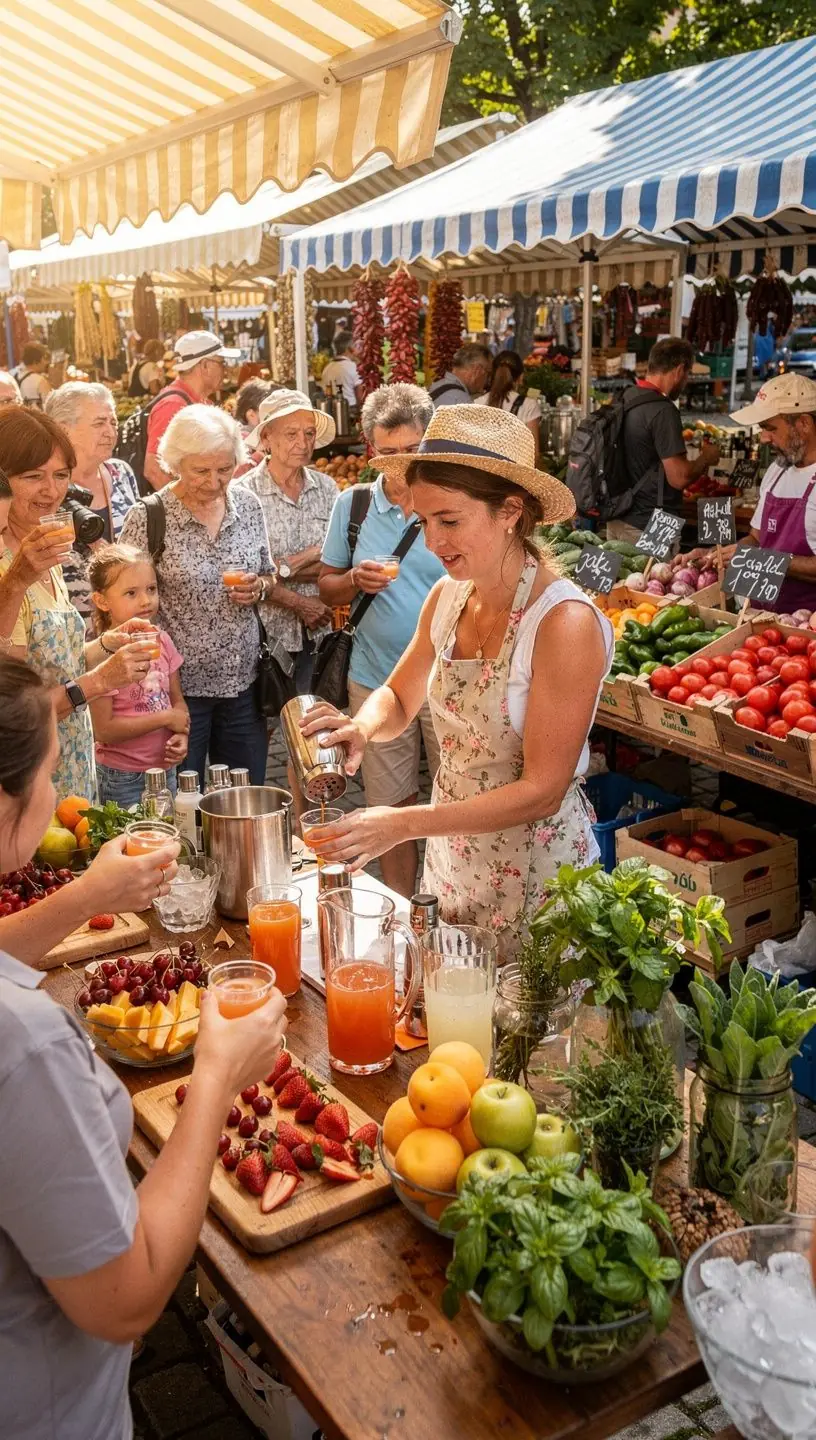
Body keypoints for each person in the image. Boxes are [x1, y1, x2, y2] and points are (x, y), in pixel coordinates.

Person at [0, 657, 287, 1440]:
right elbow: (126, 1299)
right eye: (56, 771)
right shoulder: (25, 1048)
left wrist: (85, 896)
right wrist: (220, 1073)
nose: (62, 792)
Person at [302, 405, 613, 959]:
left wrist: (401, 824)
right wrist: (360, 727)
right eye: (423, 521)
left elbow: (543, 790)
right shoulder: (448, 597)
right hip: (452, 866)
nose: (431, 542)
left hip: (539, 886)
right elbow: (399, 695)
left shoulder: (563, 623)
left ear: (510, 511)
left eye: (449, 520)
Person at [319, 383, 444, 897]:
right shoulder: (353, 506)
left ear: (429, 443)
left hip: (446, 680)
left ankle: (448, 900)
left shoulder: (448, 500)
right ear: (371, 450)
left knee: (451, 801)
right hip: (374, 681)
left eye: (411, 450)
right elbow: (327, 585)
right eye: (386, 452)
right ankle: (403, 905)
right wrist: (355, 581)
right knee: (389, 807)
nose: (398, 462)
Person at [0, 407, 159, 801]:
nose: (51, 491)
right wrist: (104, 680)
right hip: (31, 779)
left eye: (60, 475)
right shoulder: (10, 567)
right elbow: (15, 712)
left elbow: (55, 663)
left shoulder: (41, 547)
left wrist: (109, 644)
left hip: (70, 765)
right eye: (32, 477)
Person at [120, 405, 276, 786]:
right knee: (183, 797)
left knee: (243, 798)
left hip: (243, 683)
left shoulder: (249, 507)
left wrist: (259, 587)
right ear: (175, 464)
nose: (214, 481)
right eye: (200, 471)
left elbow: (269, 574)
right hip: (176, 692)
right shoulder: (150, 516)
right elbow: (123, 592)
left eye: (224, 469)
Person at [240, 390, 337, 693]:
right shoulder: (244, 494)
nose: (304, 443)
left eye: (309, 434)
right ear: (266, 438)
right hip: (266, 634)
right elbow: (245, 577)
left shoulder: (327, 487)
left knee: (315, 722)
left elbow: (340, 559)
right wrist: (309, 558)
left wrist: (278, 570)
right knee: (270, 724)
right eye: (292, 434)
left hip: (321, 629)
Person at [89, 543, 189, 806]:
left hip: (165, 771)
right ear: (102, 601)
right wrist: (165, 718)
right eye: (131, 593)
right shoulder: (102, 656)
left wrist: (181, 735)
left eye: (151, 589)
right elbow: (104, 730)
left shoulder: (163, 640)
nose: (146, 600)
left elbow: (176, 701)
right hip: (123, 777)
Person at [607, 337, 721, 543]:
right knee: (656, 576)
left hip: (616, 517)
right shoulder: (664, 411)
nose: (686, 381)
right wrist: (706, 458)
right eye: (687, 374)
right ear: (679, 370)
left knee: (624, 577)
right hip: (651, 525)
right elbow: (679, 478)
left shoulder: (623, 398)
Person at [44, 382, 141, 622]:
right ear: (63, 430)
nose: (110, 432)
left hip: (128, 623)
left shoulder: (122, 473)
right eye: (99, 423)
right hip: (73, 627)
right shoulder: (44, 487)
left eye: (113, 422)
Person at [727, 373, 816, 614]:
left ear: (804, 424)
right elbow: (757, 538)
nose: (764, 438)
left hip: (805, 631)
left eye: (770, 428)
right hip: (759, 620)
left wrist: (766, 560)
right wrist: (727, 554)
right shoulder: (777, 470)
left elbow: (762, 552)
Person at [142, 331, 241, 492]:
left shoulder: (199, 401)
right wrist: (187, 510)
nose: (227, 369)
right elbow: (154, 470)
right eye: (222, 363)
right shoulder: (173, 405)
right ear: (205, 365)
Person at [475, 351, 540, 457]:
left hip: (482, 471)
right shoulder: (528, 405)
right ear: (521, 378)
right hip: (515, 471)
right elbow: (533, 454)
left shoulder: (477, 402)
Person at [428, 342, 491, 408]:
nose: (488, 380)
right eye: (488, 373)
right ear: (477, 370)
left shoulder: (437, 385)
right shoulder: (461, 401)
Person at [320, 332, 364, 409]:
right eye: (356, 346)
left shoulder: (326, 368)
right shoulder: (353, 367)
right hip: (351, 411)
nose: (359, 350)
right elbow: (360, 398)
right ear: (350, 348)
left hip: (331, 411)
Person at [17, 342, 52, 408]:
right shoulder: (40, 381)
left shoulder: (16, 376)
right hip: (37, 417)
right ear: (36, 360)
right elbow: (50, 407)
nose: (46, 362)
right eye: (44, 358)